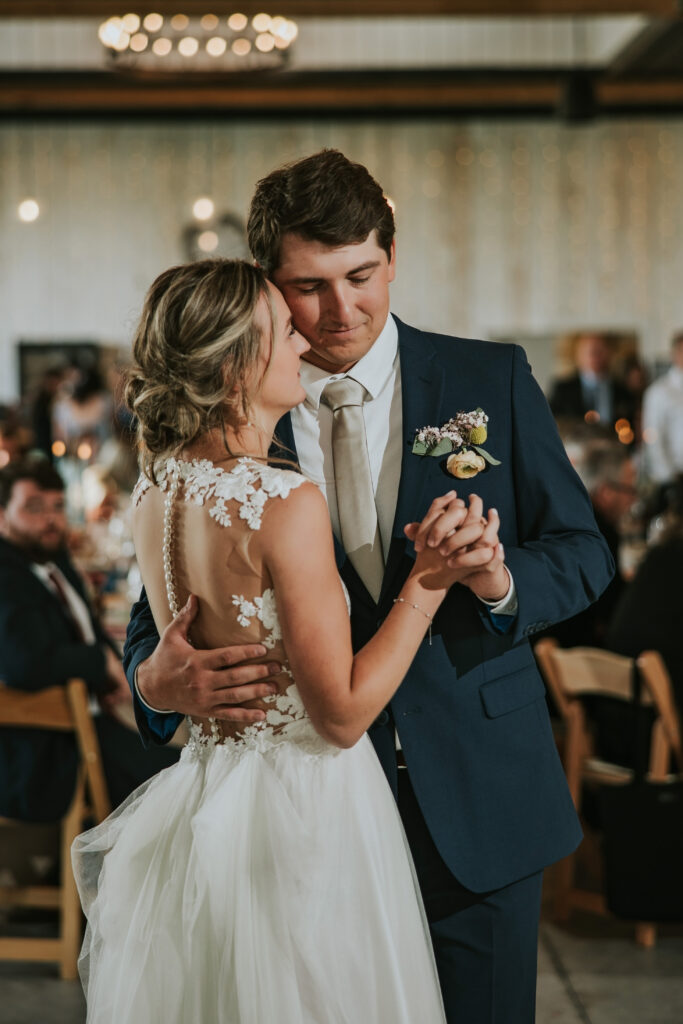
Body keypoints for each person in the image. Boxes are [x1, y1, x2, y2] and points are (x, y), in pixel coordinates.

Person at [123, 151, 614, 1023]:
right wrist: (153, 683)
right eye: (308, 288)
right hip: (306, 829)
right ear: (267, 287)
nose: (340, 310)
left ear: (392, 257)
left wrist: (498, 580)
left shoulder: (485, 378)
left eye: (362, 275)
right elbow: (163, 608)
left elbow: (582, 550)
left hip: (477, 799)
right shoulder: (234, 421)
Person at [72, 258, 503, 1022]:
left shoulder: (154, 487)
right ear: (238, 364)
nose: (303, 344)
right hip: (302, 814)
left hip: (206, 808)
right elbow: (338, 716)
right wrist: (429, 580)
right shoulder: (280, 498)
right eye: (281, 333)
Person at [0, 459, 178, 823]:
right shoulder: (6, 576)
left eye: (57, 507)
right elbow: (26, 663)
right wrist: (101, 664)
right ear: (2, 515)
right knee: (184, 779)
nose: (51, 519)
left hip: (92, 729)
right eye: (34, 508)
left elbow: (87, 631)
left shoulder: (52, 558)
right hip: (47, 754)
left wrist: (110, 671)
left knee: (188, 762)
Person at [548, 331, 635, 430]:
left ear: (610, 353)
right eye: (589, 351)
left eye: (599, 350)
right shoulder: (563, 389)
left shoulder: (622, 391)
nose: (594, 356)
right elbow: (553, 423)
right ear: (577, 354)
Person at [641, 331, 683, 486]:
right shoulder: (659, 392)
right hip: (676, 476)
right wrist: (668, 477)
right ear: (675, 354)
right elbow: (653, 437)